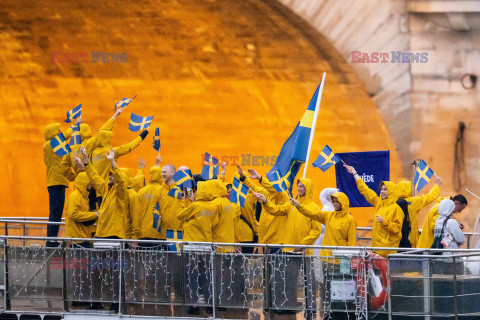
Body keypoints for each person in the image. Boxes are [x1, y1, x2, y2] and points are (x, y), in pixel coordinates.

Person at [254, 178, 321, 315]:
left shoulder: (314, 208)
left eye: (302, 186)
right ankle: (287, 305)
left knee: (309, 281)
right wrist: (265, 201)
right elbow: (276, 210)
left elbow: (316, 230)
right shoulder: (291, 204)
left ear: (308, 188)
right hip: (289, 250)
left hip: (305, 251)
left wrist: (302, 244)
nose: (299, 189)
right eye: (299, 186)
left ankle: (311, 308)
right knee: (288, 280)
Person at [178, 180, 221, 315]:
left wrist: (184, 201)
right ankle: (209, 303)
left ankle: (194, 305)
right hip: (207, 246)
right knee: (206, 276)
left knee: (193, 277)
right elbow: (214, 223)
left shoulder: (195, 206)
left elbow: (180, 215)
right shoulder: (213, 206)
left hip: (193, 247)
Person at [344, 164, 404, 257]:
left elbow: (397, 229)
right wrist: (354, 173)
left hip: (388, 251)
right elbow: (365, 190)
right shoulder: (378, 202)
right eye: (381, 189)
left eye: (385, 189)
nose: (382, 191)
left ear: (391, 191)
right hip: (376, 248)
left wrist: (384, 222)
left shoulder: (396, 209)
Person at [43, 117, 82, 246]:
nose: (60, 132)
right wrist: (75, 125)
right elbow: (65, 136)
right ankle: (51, 241)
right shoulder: (50, 144)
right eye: (58, 130)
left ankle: (52, 239)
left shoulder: (53, 146)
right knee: (55, 212)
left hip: (57, 182)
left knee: (56, 212)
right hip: (56, 182)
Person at [90, 129, 148, 208]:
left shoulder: (93, 153)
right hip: (108, 190)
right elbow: (128, 147)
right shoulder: (109, 151)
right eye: (109, 138)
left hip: (95, 191)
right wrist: (142, 135)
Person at [396, 176, 441, 248]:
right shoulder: (414, 202)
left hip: (395, 237)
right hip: (410, 236)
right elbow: (429, 197)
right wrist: (436, 186)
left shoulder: (393, 202)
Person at [64, 172, 99, 247]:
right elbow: (73, 214)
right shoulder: (75, 196)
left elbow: (83, 216)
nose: (91, 183)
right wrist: (94, 215)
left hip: (83, 237)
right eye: (89, 181)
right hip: (77, 239)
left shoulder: (84, 197)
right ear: (84, 182)